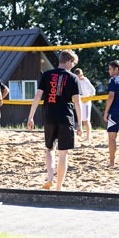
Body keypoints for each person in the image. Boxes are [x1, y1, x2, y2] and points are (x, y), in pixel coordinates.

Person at [27, 49, 83, 191]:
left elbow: (37, 97)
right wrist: (80, 124)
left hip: (49, 117)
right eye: (73, 63)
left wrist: (30, 117)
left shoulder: (46, 75)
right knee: (63, 153)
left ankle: (50, 178)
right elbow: (77, 103)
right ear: (69, 61)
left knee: (49, 149)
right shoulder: (73, 78)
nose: (73, 66)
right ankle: (59, 186)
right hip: (66, 118)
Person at [74, 68, 96, 142]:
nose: (80, 77)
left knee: (86, 120)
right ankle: (85, 135)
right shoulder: (76, 81)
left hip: (86, 103)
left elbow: (93, 91)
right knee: (82, 120)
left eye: (80, 76)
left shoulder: (85, 81)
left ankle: (88, 137)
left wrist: (88, 98)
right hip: (80, 102)